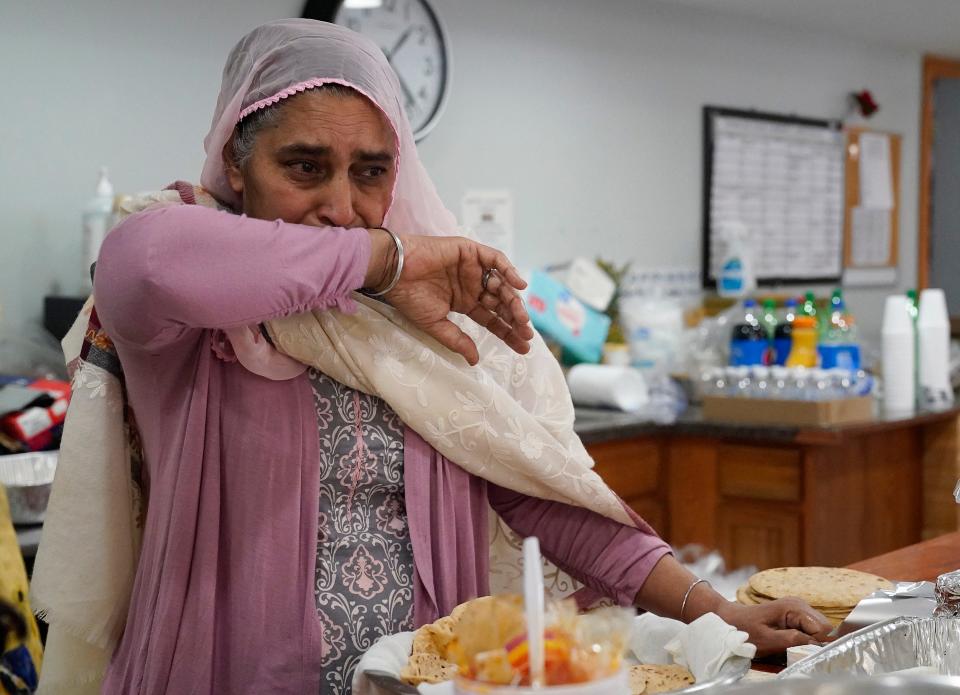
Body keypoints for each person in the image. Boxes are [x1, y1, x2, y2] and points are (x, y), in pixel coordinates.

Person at [33, 19, 831, 695]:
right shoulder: (195, 313)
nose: (343, 208)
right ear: (236, 166)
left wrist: (713, 611)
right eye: (304, 166)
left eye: (371, 173)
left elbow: (547, 498)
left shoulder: (419, 328)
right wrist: (388, 259)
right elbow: (142, 263)